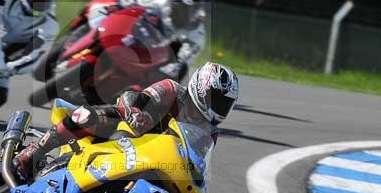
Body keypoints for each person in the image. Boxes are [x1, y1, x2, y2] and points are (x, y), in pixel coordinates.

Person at [15, 62, 239, 180]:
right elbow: (135, 97)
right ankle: (34, 151)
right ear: (201, 88)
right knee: (86, 115)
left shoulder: (210, 132)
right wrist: (135, 112)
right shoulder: (172, 90)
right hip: (125, 131)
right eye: (217, 100)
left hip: (152, 159)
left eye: (225, 104)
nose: (219, 108)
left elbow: (197, 162)